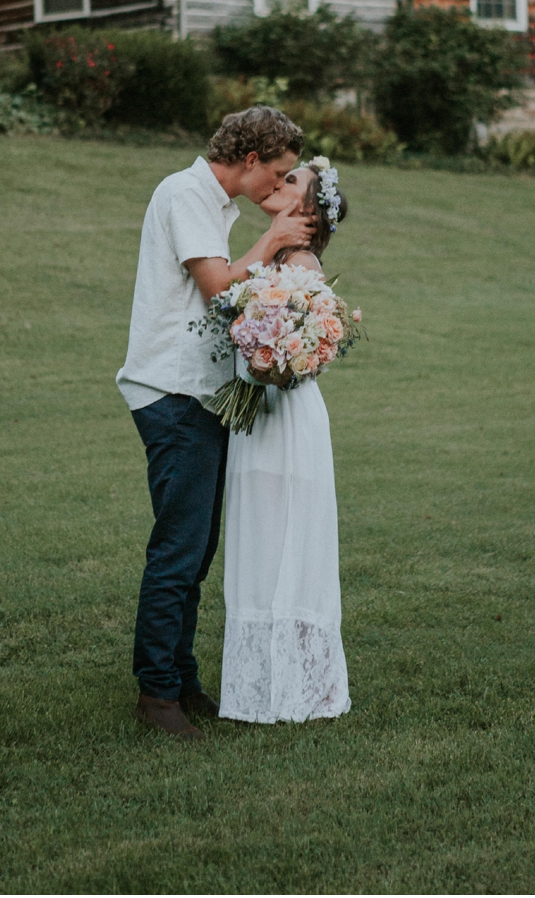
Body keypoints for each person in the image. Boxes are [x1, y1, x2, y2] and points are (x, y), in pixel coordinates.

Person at [117, 106, 310, 742]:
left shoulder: (213, 205)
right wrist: (276, 239)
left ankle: (181, 677)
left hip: (200, 395)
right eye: (277, 174)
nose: (278, 189)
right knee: (178, 548)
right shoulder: (184, 193)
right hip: (171, 395)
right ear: (250, 160)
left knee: (196, 549)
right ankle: (156, 695)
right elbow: (220, 290)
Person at [218, 158, 353, 723]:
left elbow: (313, 353)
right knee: (260, 543)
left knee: (287, 541)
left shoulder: (302, 264)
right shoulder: (271, 252)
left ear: (310, 210)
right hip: (257, 420)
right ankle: (258, 689)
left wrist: (273, 359)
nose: (278, 183)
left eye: (291, 180)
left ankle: (299, 690)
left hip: (289, 419)